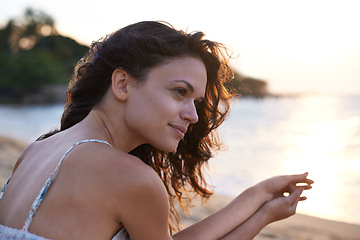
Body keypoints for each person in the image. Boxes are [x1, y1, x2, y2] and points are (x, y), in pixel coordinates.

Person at [0, 21, 313, 240]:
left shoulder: (35, 152)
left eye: (197, 101)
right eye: (179, 91)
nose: (192, 116)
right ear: (122, 84)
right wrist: (261, 217)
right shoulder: (128, 177)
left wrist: (257, 201)